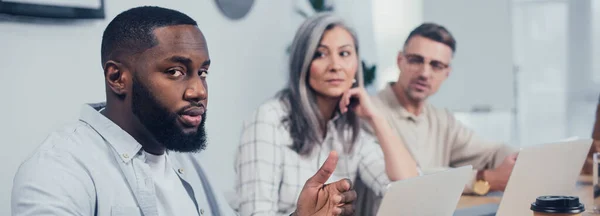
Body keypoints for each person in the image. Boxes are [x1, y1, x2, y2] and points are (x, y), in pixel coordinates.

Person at [11, 6, 356, 216]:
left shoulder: (183, 162)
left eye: (202, 72)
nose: (198, 90)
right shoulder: (59, 169)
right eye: (175, 72)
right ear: (117, 77)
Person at [232, 13, 419, 216]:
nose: (335, 66)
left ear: (357, 64)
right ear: (301, 64)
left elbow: (409, 191)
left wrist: (376, 118)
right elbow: (255, 213)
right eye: (320, 54)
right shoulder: (268, 120)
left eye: (345, 54)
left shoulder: (350, 128)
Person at [369, 23, 517, 195]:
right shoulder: (368, 112)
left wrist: (519, 161)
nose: (425, 73)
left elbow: (491, 153)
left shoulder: (441, 120)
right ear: (399, 60)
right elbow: (411, 179)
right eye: (416, 60)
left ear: (447, 73)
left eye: (436, 65)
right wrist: (484, 178)